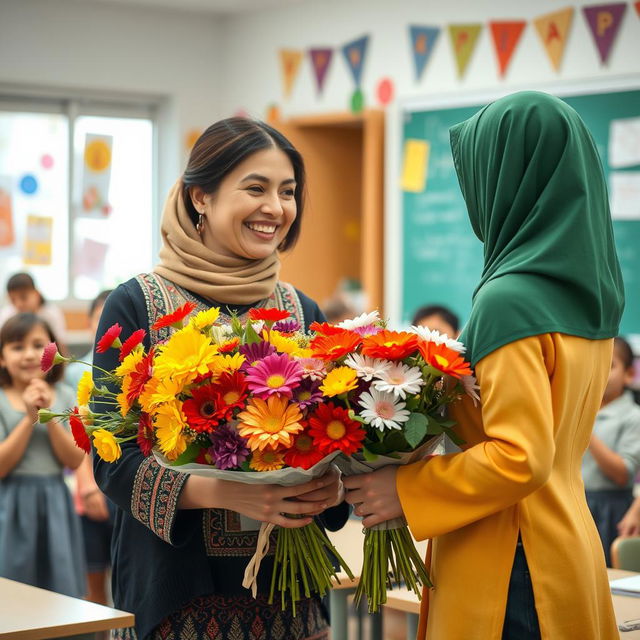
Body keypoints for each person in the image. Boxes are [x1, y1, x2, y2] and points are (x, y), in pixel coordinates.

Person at [343, 92, 624, 639]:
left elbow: (519, 458)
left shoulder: (510, 299)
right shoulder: (592, 292)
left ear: (508, 179)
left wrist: (404, 488)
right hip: (566, 543)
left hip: (511, 561)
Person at [92, 118, 348, 640]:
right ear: (201, 196)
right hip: (174, 597)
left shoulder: (302, 311)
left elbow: (339, 443)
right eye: (255, 187)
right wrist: (226, 493)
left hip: (289, 599)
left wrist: (334, 487)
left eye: (288, 192)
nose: (275, 208)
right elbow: (111, 460)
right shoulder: (137, 303)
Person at [0, 312, 85, 597]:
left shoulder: (64, 395)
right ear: (2, 357)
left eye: (38, 345)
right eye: (16, 347)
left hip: (55, 502)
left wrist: (47, 417)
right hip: (9, 504)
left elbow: (74, 460)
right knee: (13, 589)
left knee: (59, 587)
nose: (28, 355)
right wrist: (29, 417)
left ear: (53, 352)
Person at [66, 290, 114, 605]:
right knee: (93, 584)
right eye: (102, 318)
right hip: (91, 482)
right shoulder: (74, 371)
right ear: (89, 322)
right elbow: (75, 429)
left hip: (125, 482)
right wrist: (88, 484)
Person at [582, 336, 640, 565]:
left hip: (610, 509)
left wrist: (586, 431)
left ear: (629, 375)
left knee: (604, 572)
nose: (599, 372)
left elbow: (623, 473)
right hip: (577, 502)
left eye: (610, 365)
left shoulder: (633, 416)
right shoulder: (578, 407)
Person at [0, 272, 67, 346]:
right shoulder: (7, 314)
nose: (18, 304)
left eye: (23, 297)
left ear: (37, 293)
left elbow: (60, 344)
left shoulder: (51, 313)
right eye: (13, 300)